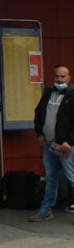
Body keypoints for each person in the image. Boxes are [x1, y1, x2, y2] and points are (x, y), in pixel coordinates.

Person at [29, 64, 74, 221]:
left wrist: (69, 141)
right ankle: (46, 210)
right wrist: (39, 133)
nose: (59, 79)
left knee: (72, 178)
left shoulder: (72, 95)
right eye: (57, 76)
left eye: (63, 76)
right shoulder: (48, 93)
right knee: (51, 178)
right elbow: (38, 113)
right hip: (49, 144)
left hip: (65, 146)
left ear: (69, 78)